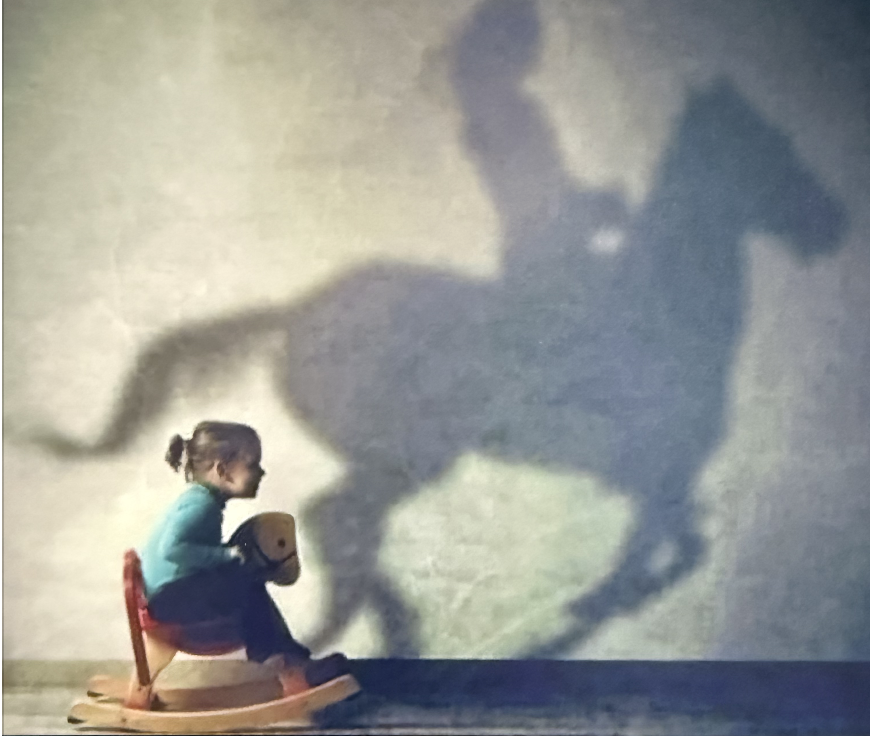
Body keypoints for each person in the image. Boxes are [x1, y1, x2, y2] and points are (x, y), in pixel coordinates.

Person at [138, 420, 348, 695]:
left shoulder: (200, 500)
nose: (261, 472)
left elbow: (187, 549)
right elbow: (172, 549)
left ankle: (289, 661)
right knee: (249, 588)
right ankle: (291, 667)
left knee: (247, 582)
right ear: (222, 470)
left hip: (172, 593)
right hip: (171, 600)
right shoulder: (201, 506)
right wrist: (224, 555)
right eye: (252, 464)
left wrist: (224, 559)